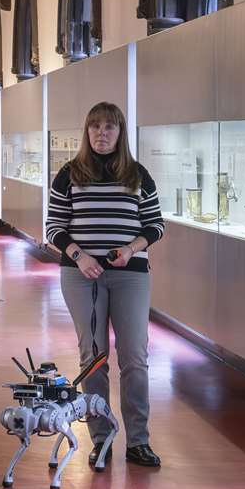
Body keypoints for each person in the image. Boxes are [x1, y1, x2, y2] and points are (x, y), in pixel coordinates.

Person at [46, 101, 165, 469]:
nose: (101, 133)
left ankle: (138, 441)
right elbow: (54, 226)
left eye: (109, 127)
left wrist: (130, 249)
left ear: (120, 132)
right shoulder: (69, 174)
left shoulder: (138, 175)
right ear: (87, 131)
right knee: (93, 357)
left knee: (134, 357)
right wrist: (80, 255)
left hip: (130, 274)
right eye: (95, 126)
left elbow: (155, 225)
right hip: (81, 276)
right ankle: (102, 438)